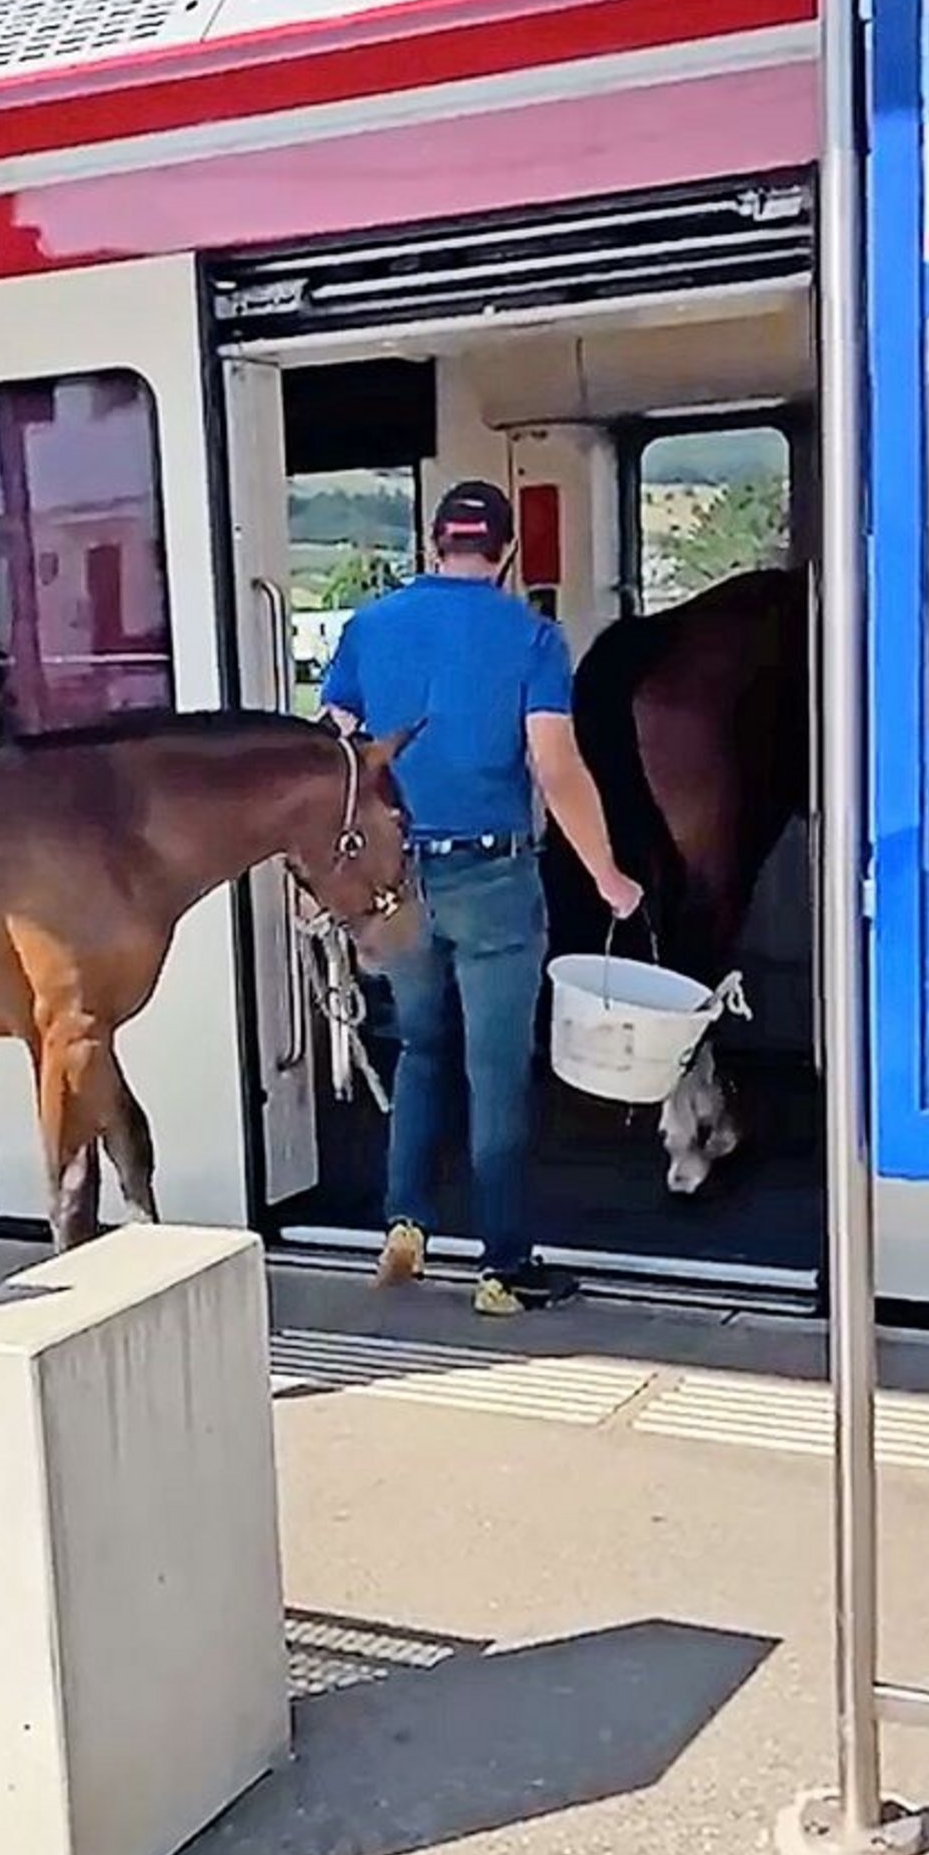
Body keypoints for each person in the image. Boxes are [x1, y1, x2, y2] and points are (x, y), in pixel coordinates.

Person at [321, 478, 642, 1319]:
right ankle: (502, 1267)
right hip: (494, 877)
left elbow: (337, 750)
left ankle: (406, 1221)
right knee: (495, 1071)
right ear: (503, 554)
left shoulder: (368, 627)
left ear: (433, 544)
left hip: (400, 883)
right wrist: (608, 875)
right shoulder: (532, 636)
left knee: (422, 1047)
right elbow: (555, 767)